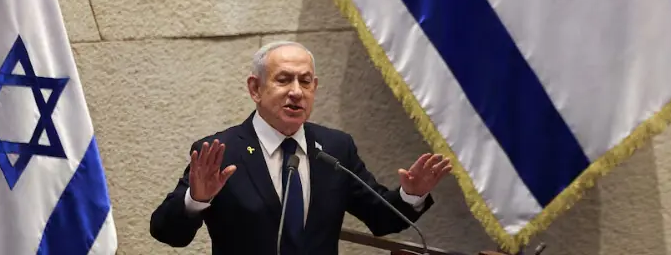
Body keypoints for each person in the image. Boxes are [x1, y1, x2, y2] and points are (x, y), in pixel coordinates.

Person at [149, 41, 452, 254]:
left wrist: (411, 195)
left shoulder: (335, 148)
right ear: (255, 88)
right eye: (283, 80)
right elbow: (167, 232)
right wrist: (196, 200)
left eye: (305, 82)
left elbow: (382, 219)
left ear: (314, 88)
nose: (296, 92)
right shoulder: (220, 152)